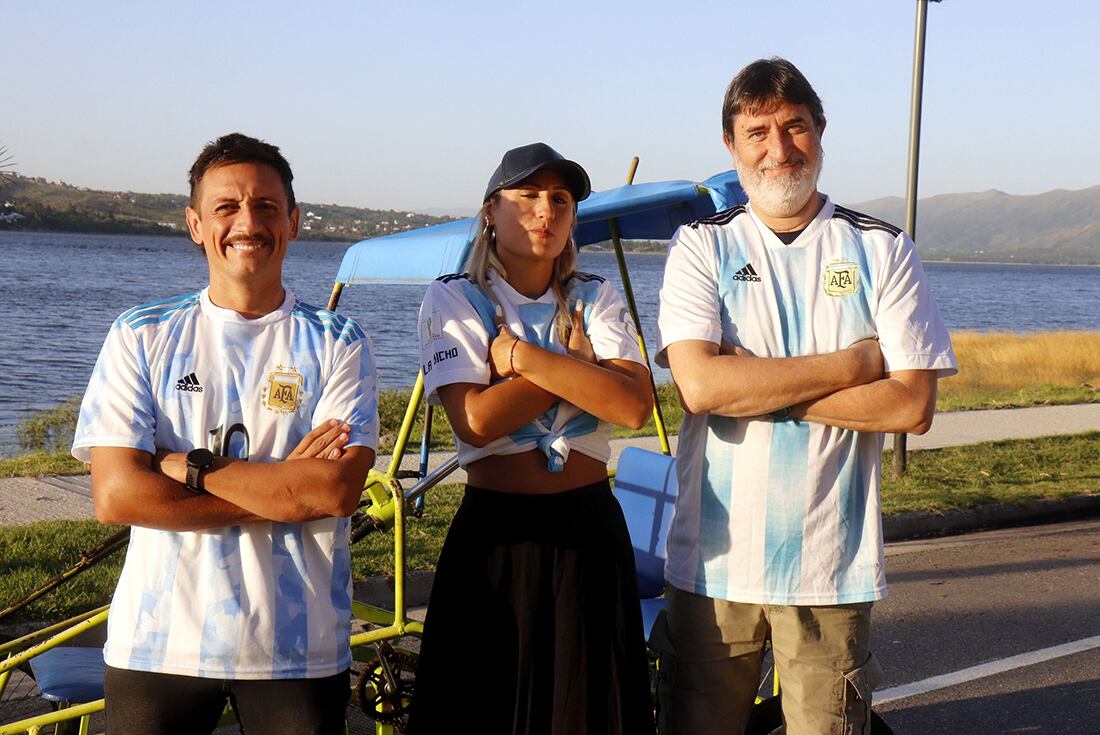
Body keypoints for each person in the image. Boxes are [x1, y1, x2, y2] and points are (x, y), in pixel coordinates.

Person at [653, 58, 957, 734]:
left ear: (821, 131)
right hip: (711, 566)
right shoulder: (702, 246)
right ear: (731, 146)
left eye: (794, 127)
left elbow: (911, 406)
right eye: (757, 131)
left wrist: (753, 386)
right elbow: (700, 386)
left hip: (831, 567)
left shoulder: (883, 248)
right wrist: (852, 363)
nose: (778, 148)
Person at [71, 133, 378, 735]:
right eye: (226, 207)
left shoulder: (339, 341)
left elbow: (334, 493)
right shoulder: (141, 334)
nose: (247, 222)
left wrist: (188, 465)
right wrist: (284, 492)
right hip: (160, 645)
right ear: (194, 224)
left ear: (292, 221)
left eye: (266, 206)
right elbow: (117, 497)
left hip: (298, 646)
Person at [405, 142, 657, 734]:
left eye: (560, 199)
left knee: (588, 710)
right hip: (496, 537)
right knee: (486, 709)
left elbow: (632, 405)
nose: (545, 210)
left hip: (590, 531)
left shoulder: (598, 295)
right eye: (528, 196)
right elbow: (476, 420)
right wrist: (577, 368)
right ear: (492, 210)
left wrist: (520, 358)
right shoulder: (453, 297)